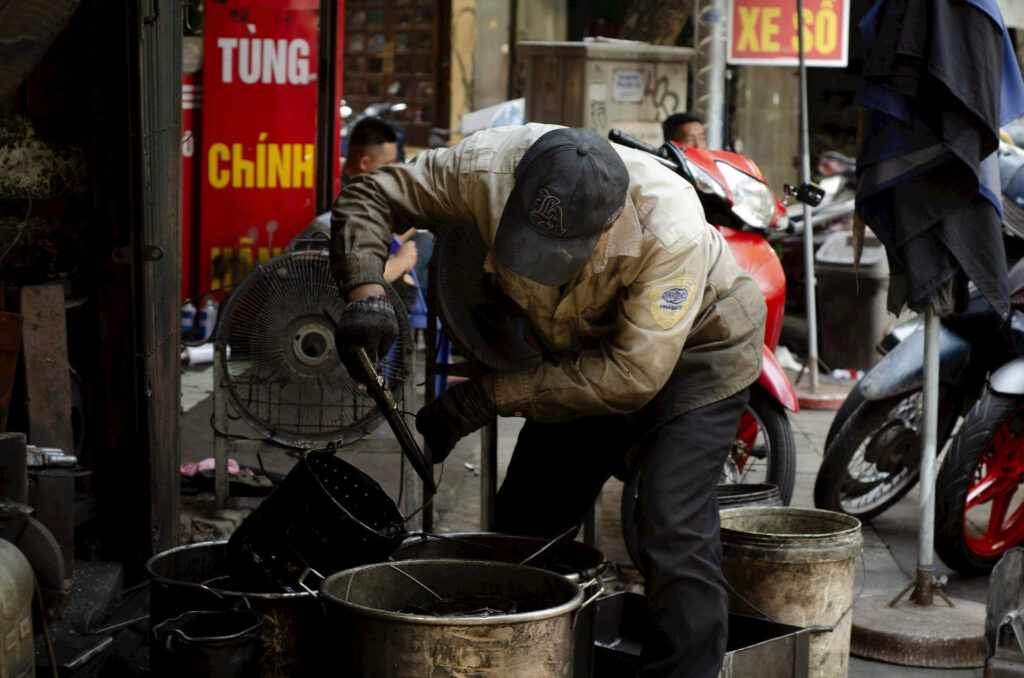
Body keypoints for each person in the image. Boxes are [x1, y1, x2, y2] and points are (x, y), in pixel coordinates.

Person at [330, 124, 765, 677]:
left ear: (610, 226)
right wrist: (365, 291)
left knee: (669, 520)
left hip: (702, 349)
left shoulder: (669, 227)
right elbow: (371, 192)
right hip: (584, 351)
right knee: (523, 522)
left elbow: (630, 376)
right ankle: (510, 661)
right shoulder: (484, 168)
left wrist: (485, 398)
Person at [286, 116, 419, 309]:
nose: (394, 170)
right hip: (306, 304)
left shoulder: (357, 194)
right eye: (389, 163)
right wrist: (400, 262)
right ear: (364, 162)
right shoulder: (348, 206)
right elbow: (358, 275)